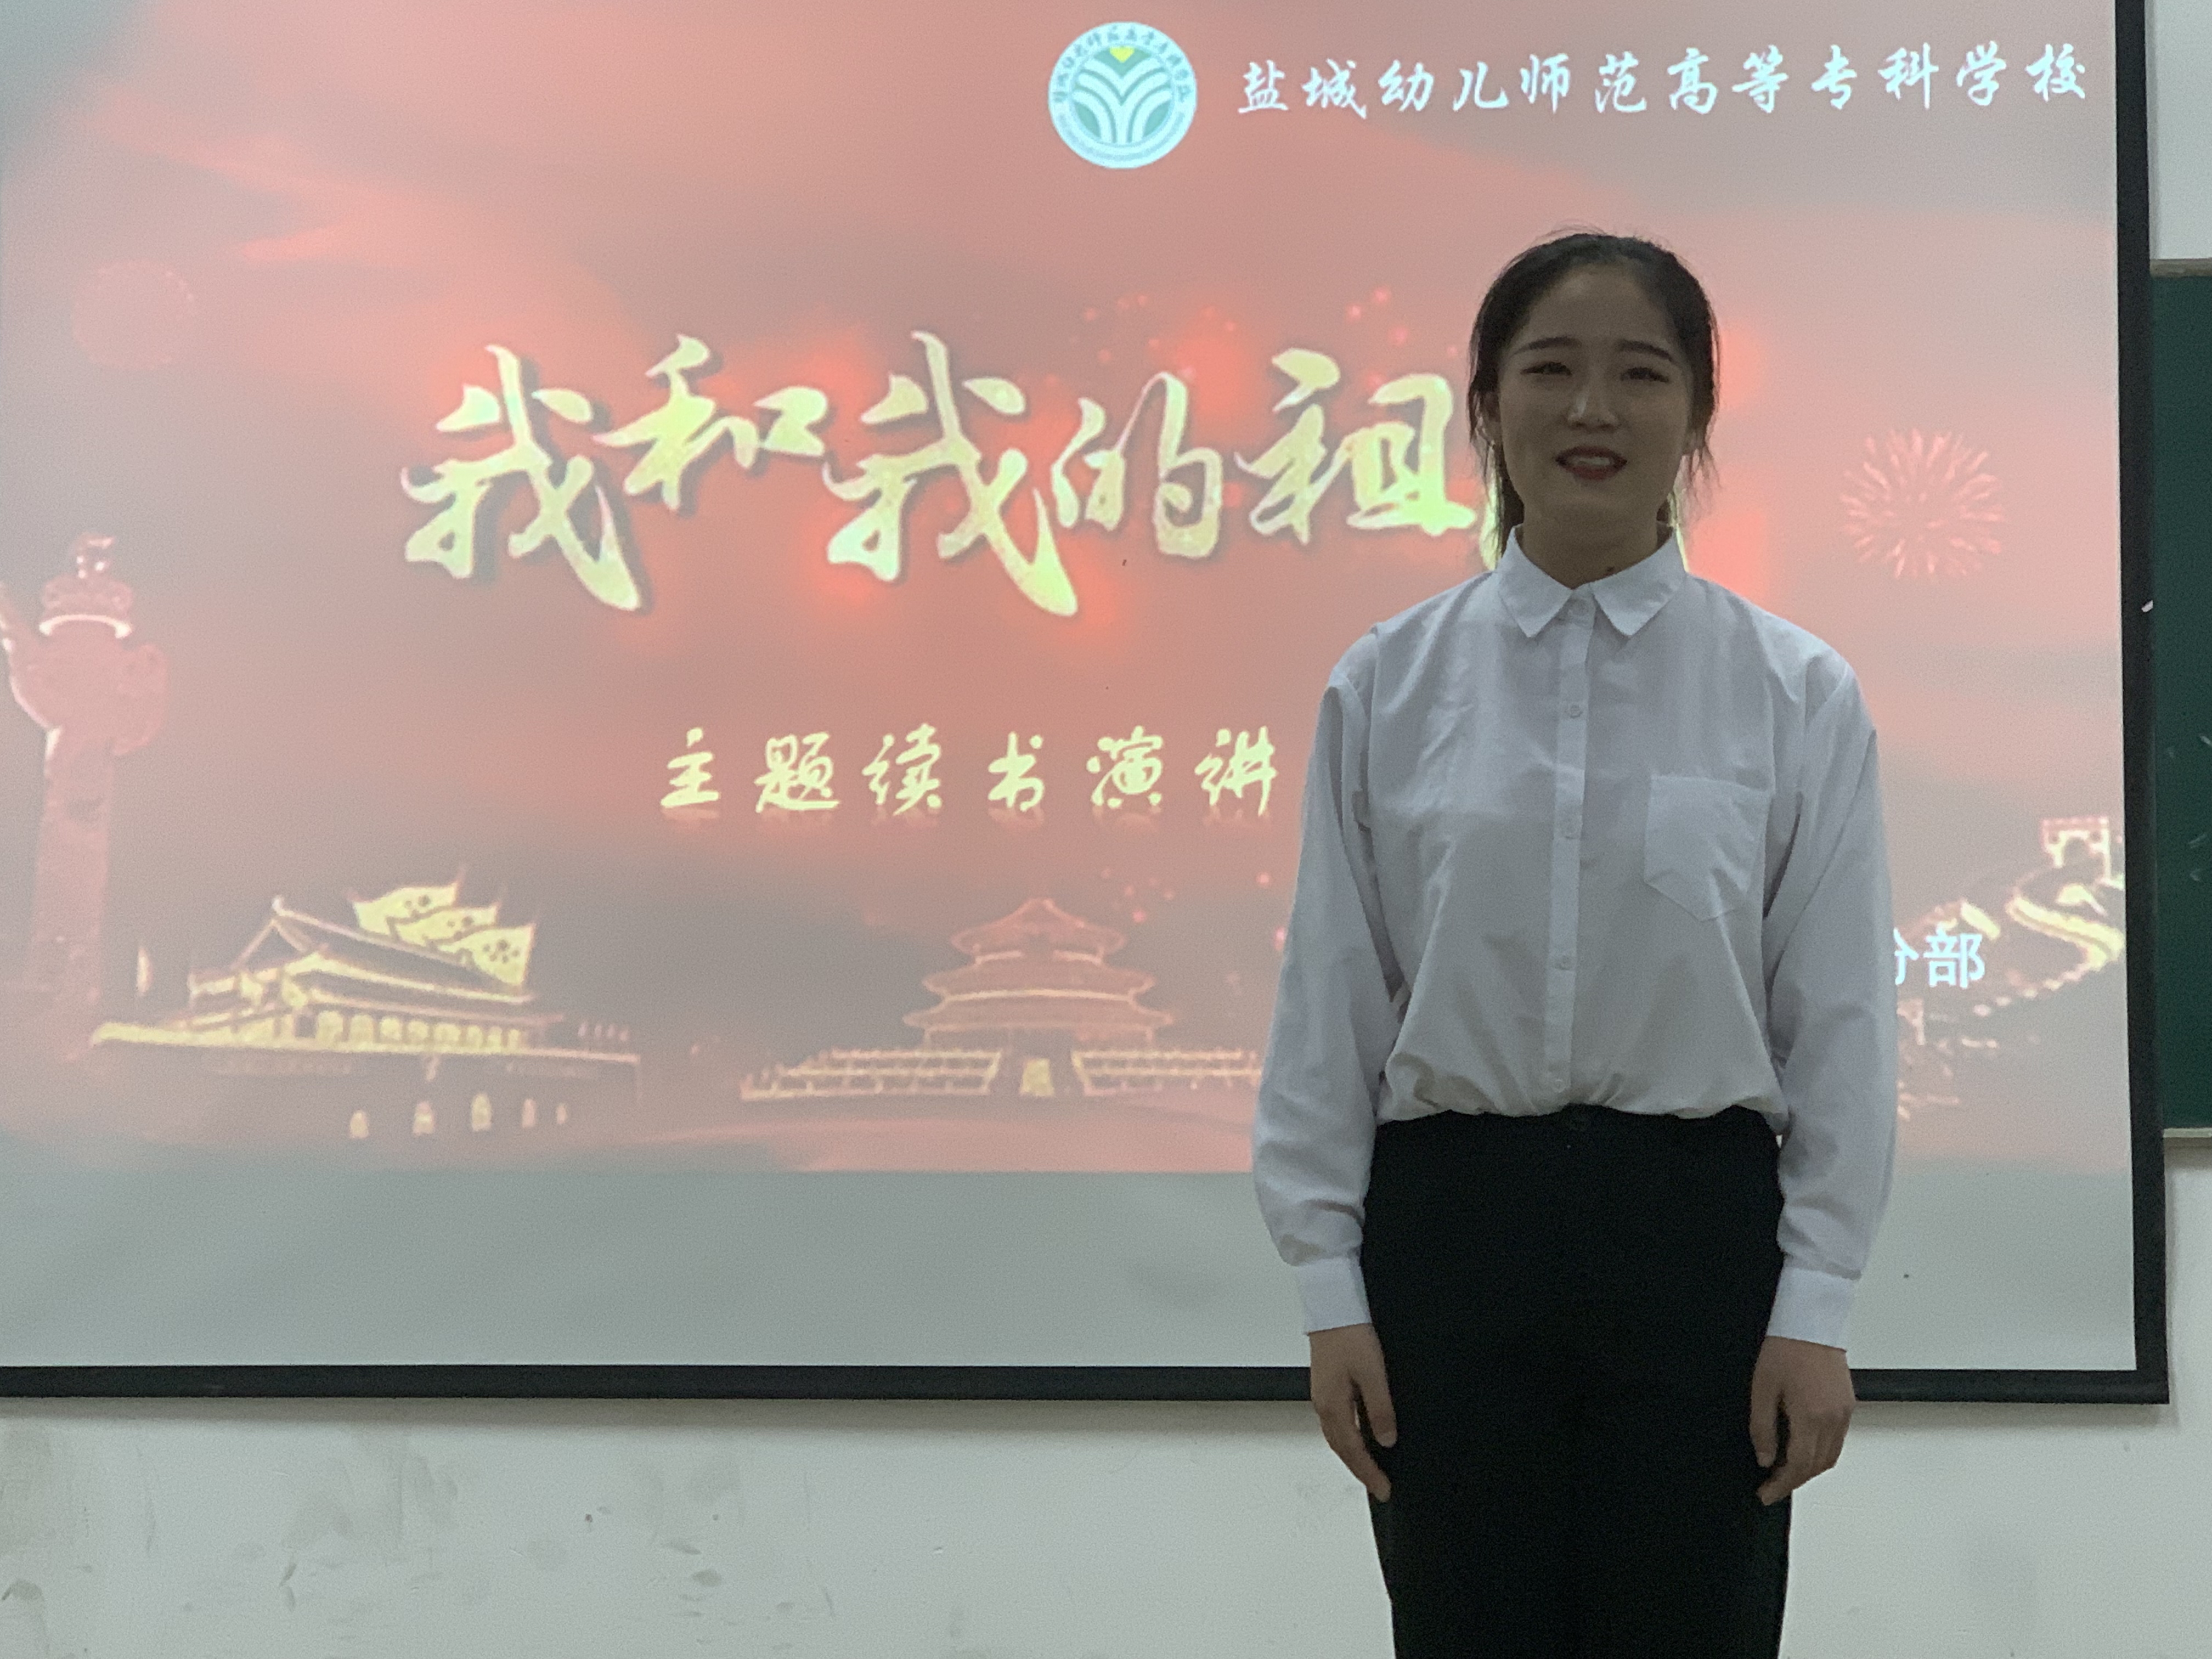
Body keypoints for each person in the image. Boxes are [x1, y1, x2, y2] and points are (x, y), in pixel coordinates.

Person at [1251, 229, 1897, 1658]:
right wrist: (1328, 1293)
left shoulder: (1795, 691)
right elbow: (1334, 999)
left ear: (1698, 414)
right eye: (1549, 370)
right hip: (1451, 1236)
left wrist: (1818, 1308)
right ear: (1487, 406)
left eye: (1641, 374)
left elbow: (1840, 1017)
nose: (1593, 409)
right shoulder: (1388, 683)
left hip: (1697, 1240)